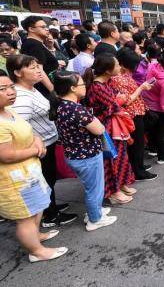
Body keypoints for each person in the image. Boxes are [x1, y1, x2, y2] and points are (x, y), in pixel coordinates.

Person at [0, 71, 68, 262]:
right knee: (25, 218)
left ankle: (36, 236)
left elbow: (28, 131)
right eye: (3, 89)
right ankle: (36, 251)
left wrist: (37, 140)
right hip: (13, 180)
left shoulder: (9, 111)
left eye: (11, 87)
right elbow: (5, 155)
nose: (10, 92)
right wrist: (36, 149)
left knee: (35, 209)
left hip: (29, 172)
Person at [7, 55, 77, 227]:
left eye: (38, 66)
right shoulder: (20, 97)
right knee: (45, 179)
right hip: (39, 147)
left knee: (49, 178)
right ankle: (50, 216)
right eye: (32, 67)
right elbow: (20, 129)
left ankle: (51, 207)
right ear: (17, 73)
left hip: (48, 141)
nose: (38, 70)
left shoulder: (32, 88)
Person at [49, 70, 117, 231]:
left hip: (75, 155)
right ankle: (95, 219)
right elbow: (99, 129)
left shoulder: (61, 105)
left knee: (91, 186)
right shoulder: (76, 109)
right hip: (87, 156)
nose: (85, 86)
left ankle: (95, 211)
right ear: (73, 88)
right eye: (82, 84)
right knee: (94, 189)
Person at [84, 54, 136, 204]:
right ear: (107, 70)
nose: (120, 67)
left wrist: (119, 100)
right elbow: (115, 105)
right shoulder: (97, 86)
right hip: (105, 128)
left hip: (114, 125)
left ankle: (123, 183)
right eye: (117, 65)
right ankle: (114, 192)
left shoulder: (108, 82)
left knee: (121, 156)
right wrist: (119, 100)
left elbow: (120, 100)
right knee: (111, 160)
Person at [112, 48, 157, 181]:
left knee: (139, 143)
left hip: (137, 112)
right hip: (130, 115)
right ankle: (138, 172)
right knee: (136, 144)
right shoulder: (118, 79)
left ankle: (139, 167)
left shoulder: (125, 76)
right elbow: (126, 101)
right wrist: (141, 88)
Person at [142, 50, 164, 164]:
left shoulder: (153, 65)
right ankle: (162, 157)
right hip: (158, 107)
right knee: (160, 132)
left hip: (148, 102)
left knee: (152, 131)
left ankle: (153, 149)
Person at [19, 16, 56, 98]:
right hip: (44, 90)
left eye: (46, 27)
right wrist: (53, 91)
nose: (46, 29)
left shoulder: (33, 43)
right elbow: (39, 69)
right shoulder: (34, 45)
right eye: (43, 27)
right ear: (31, 29)